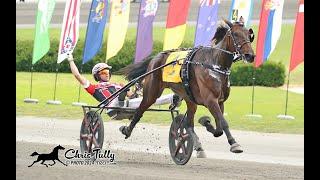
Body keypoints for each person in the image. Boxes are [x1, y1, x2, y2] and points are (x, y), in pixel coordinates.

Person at [67, 53, 134, 105]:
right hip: (112, 104)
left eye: (108, 72)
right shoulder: (94, 88)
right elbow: (77, 75)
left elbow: (131, 95)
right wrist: (71, 61)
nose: (107, 74)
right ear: (97, 75)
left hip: (124, 103)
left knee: (127, 86)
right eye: (104, 72)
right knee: (124, 88)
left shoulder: (116, 84)